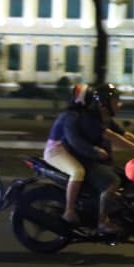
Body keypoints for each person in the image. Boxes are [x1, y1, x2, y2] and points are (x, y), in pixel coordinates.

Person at [61, 83, 134, 234]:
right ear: (103, 103)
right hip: (88, 160)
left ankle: (118, 213)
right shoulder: (91, 118)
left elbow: (123, 134)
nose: (119, 105)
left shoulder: (105, 117)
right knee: (112, 182)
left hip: (100, 161)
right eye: (115, 101)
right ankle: (103, 222)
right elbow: (110, 135)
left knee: (128, 178)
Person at [43, 83, 91, 225]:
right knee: (78, 171)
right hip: (55, 151)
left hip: (63, 150)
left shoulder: (77, 114)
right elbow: (73, 139)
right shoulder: (71, 116)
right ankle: (69, 211)